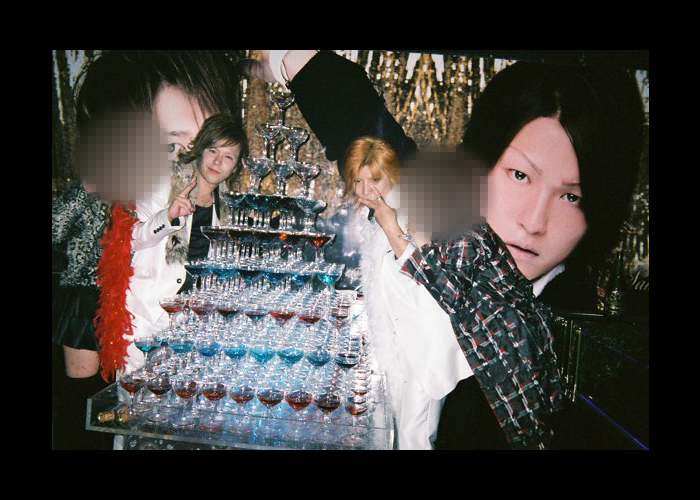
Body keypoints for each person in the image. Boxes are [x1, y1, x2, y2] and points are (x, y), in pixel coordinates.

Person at [244, 51, 644, 449]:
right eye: (520, 175)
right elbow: (378, 143)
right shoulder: (452, 236)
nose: (535, 222)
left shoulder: (590, 345)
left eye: (572, 197)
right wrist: (291, 59)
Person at [52, 50, 242, 449]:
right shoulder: (148, 187)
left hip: (187, 341)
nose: (198, 156)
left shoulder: (219, 198)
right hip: (122, 318)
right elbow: (134, 244)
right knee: (105, 415)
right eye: (173, 145)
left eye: (209, 144)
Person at [341, 137, 473, 449]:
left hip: (422, 345)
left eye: (374, 179)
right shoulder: (376, 213)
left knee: (415, 438)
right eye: (357, 180)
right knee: (389, 434)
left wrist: (392, 228)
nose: (365, 189)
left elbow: (429, 276)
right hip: (393, 341)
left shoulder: (414, 209)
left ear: (392, 175)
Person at [163, 113, 247, 292]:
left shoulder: (228, 208)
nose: (217, 162)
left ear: (235, 168)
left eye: (228, 157)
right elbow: (133, 240)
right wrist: (166, 218)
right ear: (200, 150)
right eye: (213, 151)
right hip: (156, 301)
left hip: (200, 303)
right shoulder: (164, 184)